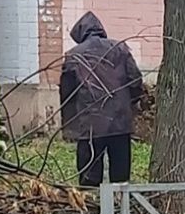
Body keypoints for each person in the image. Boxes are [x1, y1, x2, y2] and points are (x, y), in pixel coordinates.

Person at [60, 11, 144, 188]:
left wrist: (70, 127)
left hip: (90, 126)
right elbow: (135, 79)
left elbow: (67, 94)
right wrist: (130, 106)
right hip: (120, 124)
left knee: (89, 180)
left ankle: (91, 211)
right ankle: (121, 212)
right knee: (121, 180)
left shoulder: (74, 55)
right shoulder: (120, 48)